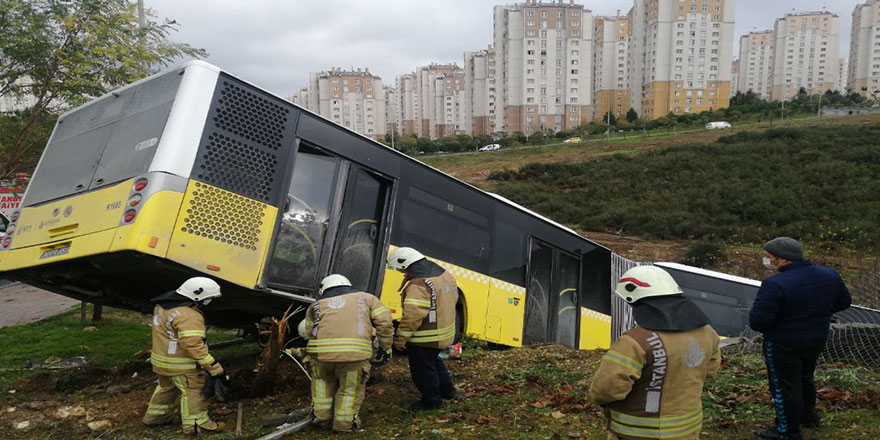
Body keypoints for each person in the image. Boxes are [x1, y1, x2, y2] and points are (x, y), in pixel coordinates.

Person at [590, 265, 722, 440]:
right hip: (688, 429)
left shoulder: (635, 342)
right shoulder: (707, 333)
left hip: (637, 432)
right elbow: (710, 371)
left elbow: (606, 390)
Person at [750, 237, 851, 440]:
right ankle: (808, 416)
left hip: (783, 342)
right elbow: (844, 301)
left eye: (769, 257)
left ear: (783, 259)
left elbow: (759, 321)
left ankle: (786, 430)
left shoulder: (775, 284)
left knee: (784, 385)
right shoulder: (828, 275)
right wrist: (817, 314)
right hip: (816, 337)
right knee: (805, 377)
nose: (767, 260)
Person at [300, 274, 393, 432]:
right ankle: (344, 425)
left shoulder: (315, 305)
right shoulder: (367, 298)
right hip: (354, 356)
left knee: (322, 384)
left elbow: (307, 331)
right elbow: (385, 323)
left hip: (320, 356)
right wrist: (385, 347)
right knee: (350, 390)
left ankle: (321, 419)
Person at [142, 277, 225, 438]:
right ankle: (197, 426)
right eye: (209, 299)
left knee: (166, 388)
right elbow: (193, 346)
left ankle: (155, 417)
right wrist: (214, 367)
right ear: (197, 297)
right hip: (181, 365)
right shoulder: (189, 316)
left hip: (161, 361)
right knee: (192, 391)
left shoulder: (163, 306)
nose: (210, 301)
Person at [387, 247, 459, 410]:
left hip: (425, 337)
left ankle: (432, 401)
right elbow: (454, 297)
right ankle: (448, 391)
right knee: (434, 361)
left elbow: (413, 316)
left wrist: (400, 339)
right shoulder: (443, 274)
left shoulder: (418, 284)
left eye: (400, 269)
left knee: (423, 370)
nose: (400, 272)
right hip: (445, 332)